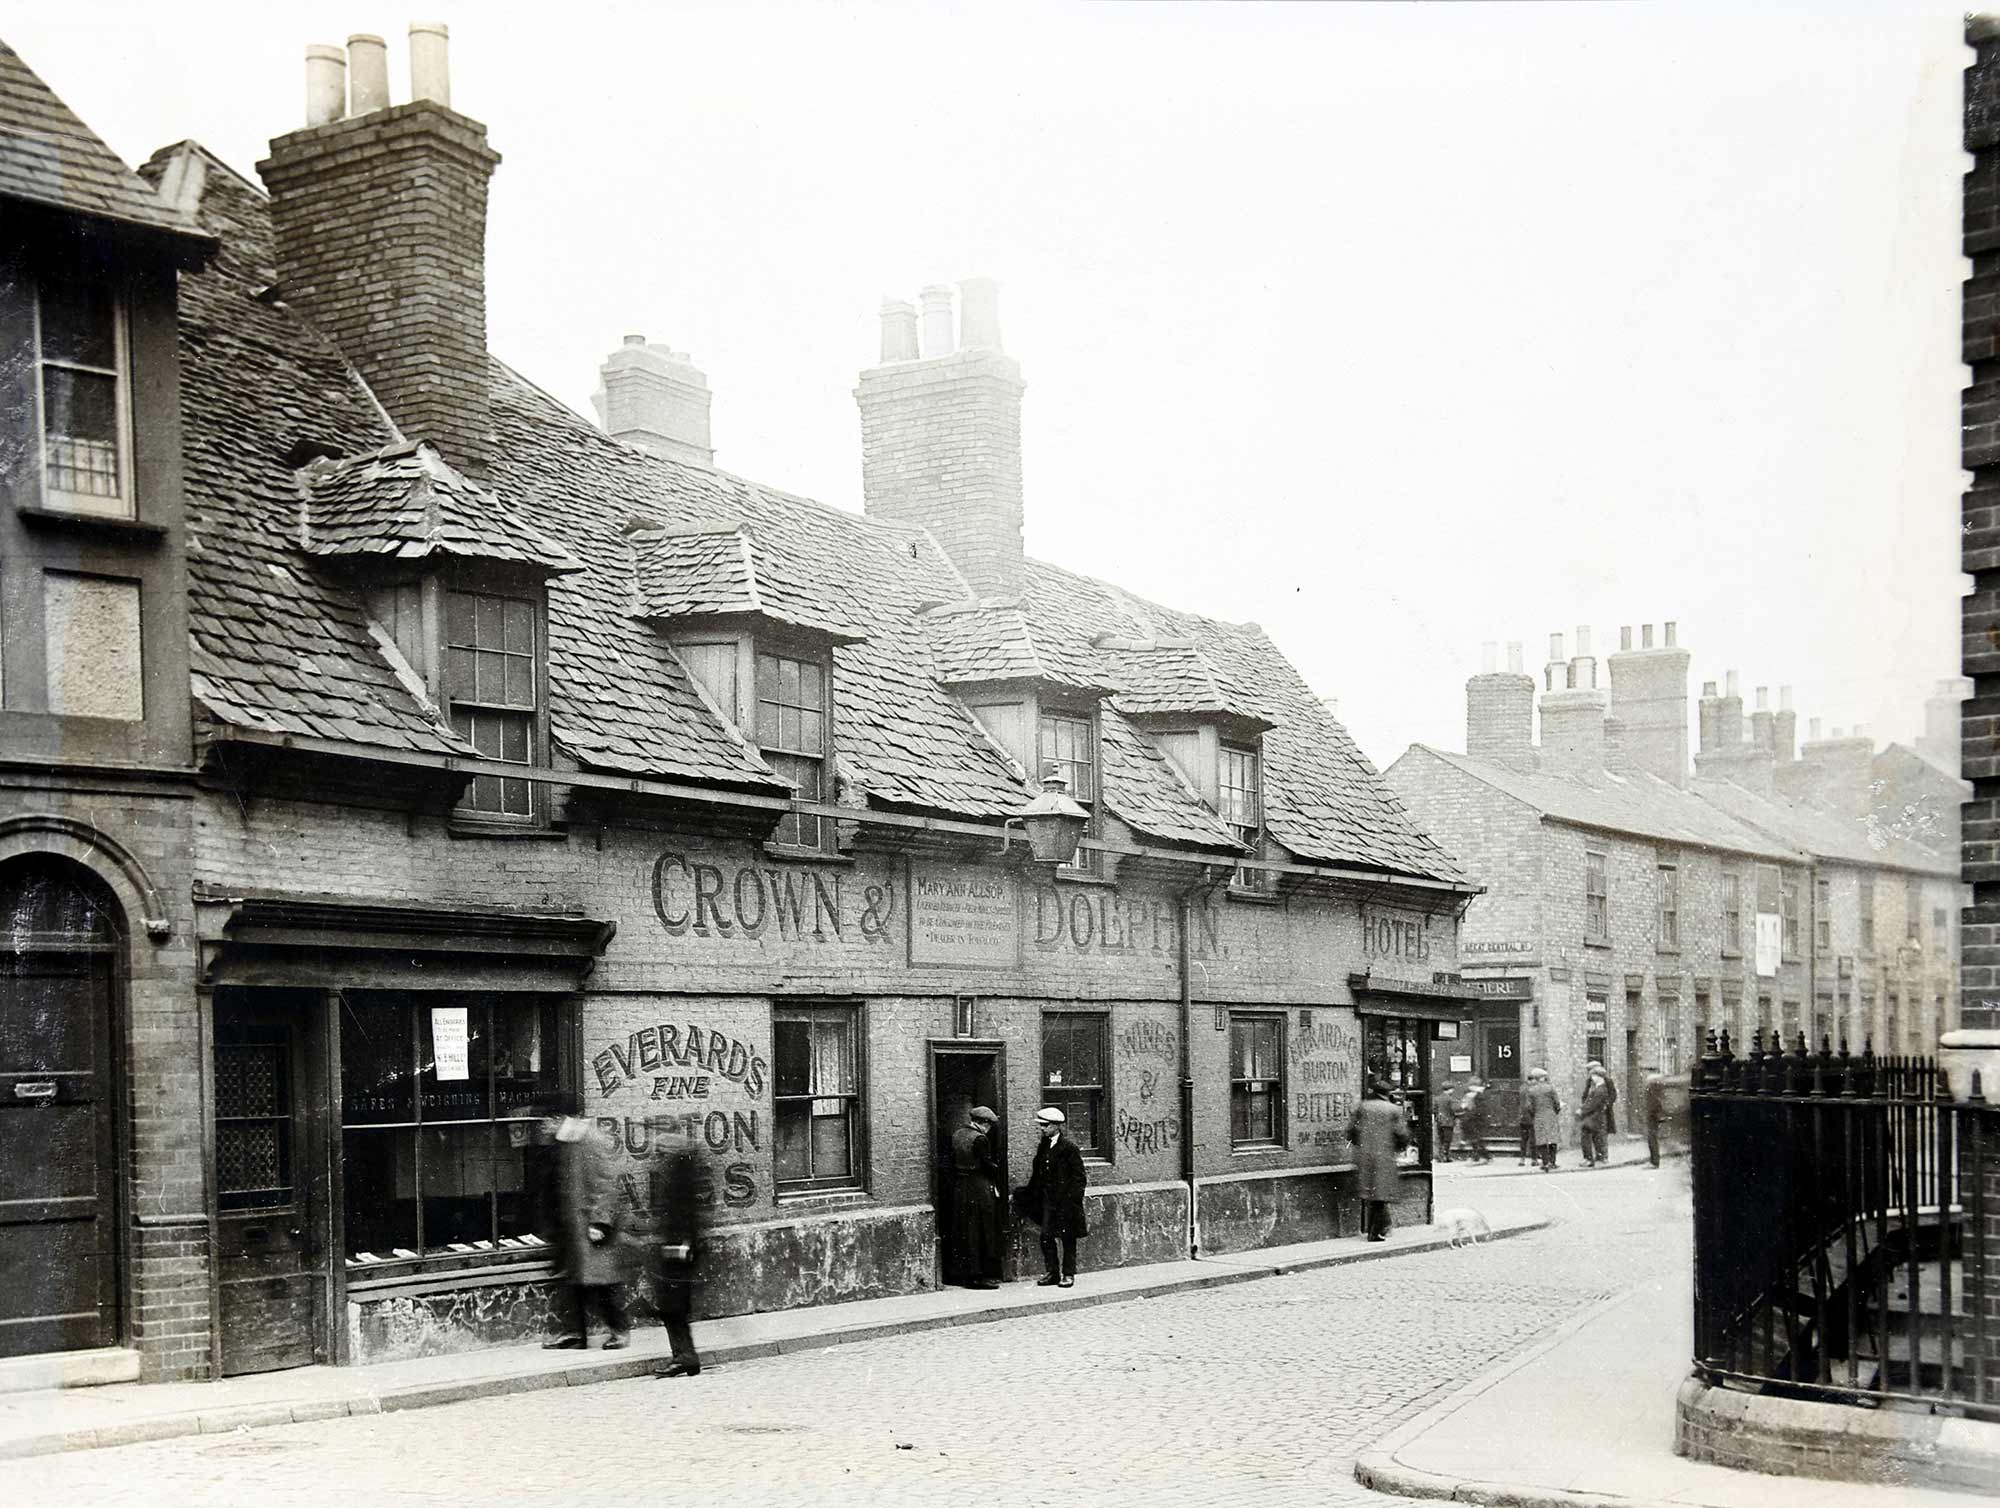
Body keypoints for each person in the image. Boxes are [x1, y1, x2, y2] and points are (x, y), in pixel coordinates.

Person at [538, 1093, 634, 1350]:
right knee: (575, 1284)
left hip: (589, 1228)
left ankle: (620, 1330)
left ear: (563, 1118)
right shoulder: (564, 1142)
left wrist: (600, 1222)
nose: (546, 1125)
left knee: (601, 1284)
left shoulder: (591, 1140)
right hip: (570, 1227)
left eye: (551, 1119)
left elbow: (606, 1183)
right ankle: (575, 1334)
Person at [647, 1142, 705, 1377]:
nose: (658, 1155)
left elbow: (685, 1217)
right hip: (676, 1250)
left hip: (677, 1253)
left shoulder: (679, 1179)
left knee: (673, 1308)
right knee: (673, 1308)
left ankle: (685, 1357)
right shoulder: (681, 1175)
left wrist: (680, 1246)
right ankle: (684, 1356)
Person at [1016, 1106, 1087, 1287]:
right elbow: (1038, 1174)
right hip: (1048, 1200)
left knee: (1067, 1237)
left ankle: (1068, 1274)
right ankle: (1052, 1272)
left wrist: (1072, 1200)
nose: (1042, 1128)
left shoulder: (1069, 1148)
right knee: (1046, 1236)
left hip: (1066, 1201)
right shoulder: (1044, 1145)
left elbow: (1079, 1177)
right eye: (1041, 1125)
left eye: (1045, 1125)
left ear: (1056, 1126)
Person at [1347, 1079, 1411, 1241]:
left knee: (1370, 1192)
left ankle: (1378, 1228)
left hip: (1364, 1155)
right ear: (1387, 1093)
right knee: (1381, 1194)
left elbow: (1352, 1131)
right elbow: (1401, 1134)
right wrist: (1400, 1148)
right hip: (1384, 1156)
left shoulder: (1362, 1107)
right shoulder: (1393, 1109)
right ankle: (1375, 1232)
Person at [948, 1106, 1004, 1288]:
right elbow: (985, 1165)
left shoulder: (957, 1134)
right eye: (990, 1125)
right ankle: (976, 1276)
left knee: (964, 1229)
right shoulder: (980, 1138)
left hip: (960, 1187)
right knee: (980, 1230)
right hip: (978, 1187)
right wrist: (997, 1170)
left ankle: (960, 1273)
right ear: (985, 1124)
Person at [1523, 1068, 1562, 1172]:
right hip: (1551, 1115)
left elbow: (1528, 1107)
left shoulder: (1531, 1090)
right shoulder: (1550, 1088)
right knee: (1552, 1138)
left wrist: (1534, 1114)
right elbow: (1557, 1103)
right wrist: (1555, 1111)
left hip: (1538, 1116)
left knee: (1541, 1139)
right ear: (1543, 1077)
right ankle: (1552, 1162)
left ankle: (1545, 1163)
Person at [1578, 1062, 1616, 1167]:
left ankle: (1602, 1156)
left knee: (1601, 1134)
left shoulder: (1606, 1082)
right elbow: (1586, 1094)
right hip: (1591, 1111)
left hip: (1600, 1111)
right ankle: (1596, 1156)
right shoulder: (1590, 1081)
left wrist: (1605, 1105)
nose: (1589, 1074)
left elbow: (1612, 1095)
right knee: (1595, 1133)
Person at [1460, 1080, 1493, 1163]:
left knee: (1476, 1138)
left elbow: (1478, 1108)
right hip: (1473, 1119)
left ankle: (1484, 1156)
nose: (1470, 1088)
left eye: (1471, 1086)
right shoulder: (1474, 1095)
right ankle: (1479, 1155)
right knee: (1475, 1138)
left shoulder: (1479, 1095)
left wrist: (1469, 1112)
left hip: (1477, 1119)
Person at [1432, 1086, 1459, 1163]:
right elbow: (1453, 1109)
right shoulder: (1450, 1099)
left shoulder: (1437, 1098)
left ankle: (1439, 1157)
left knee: (1440, 1139)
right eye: (1452, 1089)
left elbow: (1434, 1110)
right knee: (1447, 1140)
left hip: (1439, 1122)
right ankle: (1445, 1157)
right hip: (1448, 1122)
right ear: (1449, 1090)